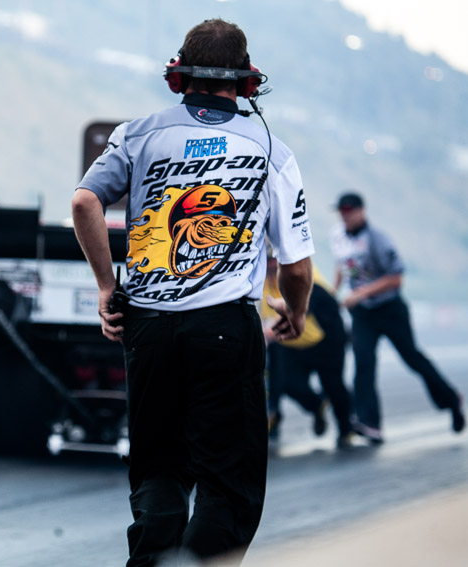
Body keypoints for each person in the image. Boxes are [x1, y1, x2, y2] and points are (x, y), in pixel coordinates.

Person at [71, 19, 314, 565]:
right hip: (225, 329)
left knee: (158, 471)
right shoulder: (272, 148)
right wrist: (295, 314)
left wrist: (109, 288)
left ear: (177, 77)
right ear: (249, 83)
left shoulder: (137, 133)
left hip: (148, 330)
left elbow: (85, 202)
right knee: (229, 485)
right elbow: (296, 266)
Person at [330, 191, 465, 444]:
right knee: (363, 362)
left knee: (412, 358)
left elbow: (396, 278)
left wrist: (361, 293)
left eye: (349, 210)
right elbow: (341, 266)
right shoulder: (337, 236)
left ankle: (450, 399)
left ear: (361, 211)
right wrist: (333, 293)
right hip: (362, 313)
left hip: (389, 309)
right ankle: (370, 423)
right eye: (341, 211)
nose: (344, 216)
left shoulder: (377, 239)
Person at [261, 253, 355, 449]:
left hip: (324, 341)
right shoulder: (261, 281)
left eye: (273, 260)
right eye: (266, 260)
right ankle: (316, 405)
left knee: (333, 386)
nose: (269, 265)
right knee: (286, 384)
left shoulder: (303, 276)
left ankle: (346, 430)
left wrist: (269, 329)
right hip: (290, 344)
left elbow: (301, 308)